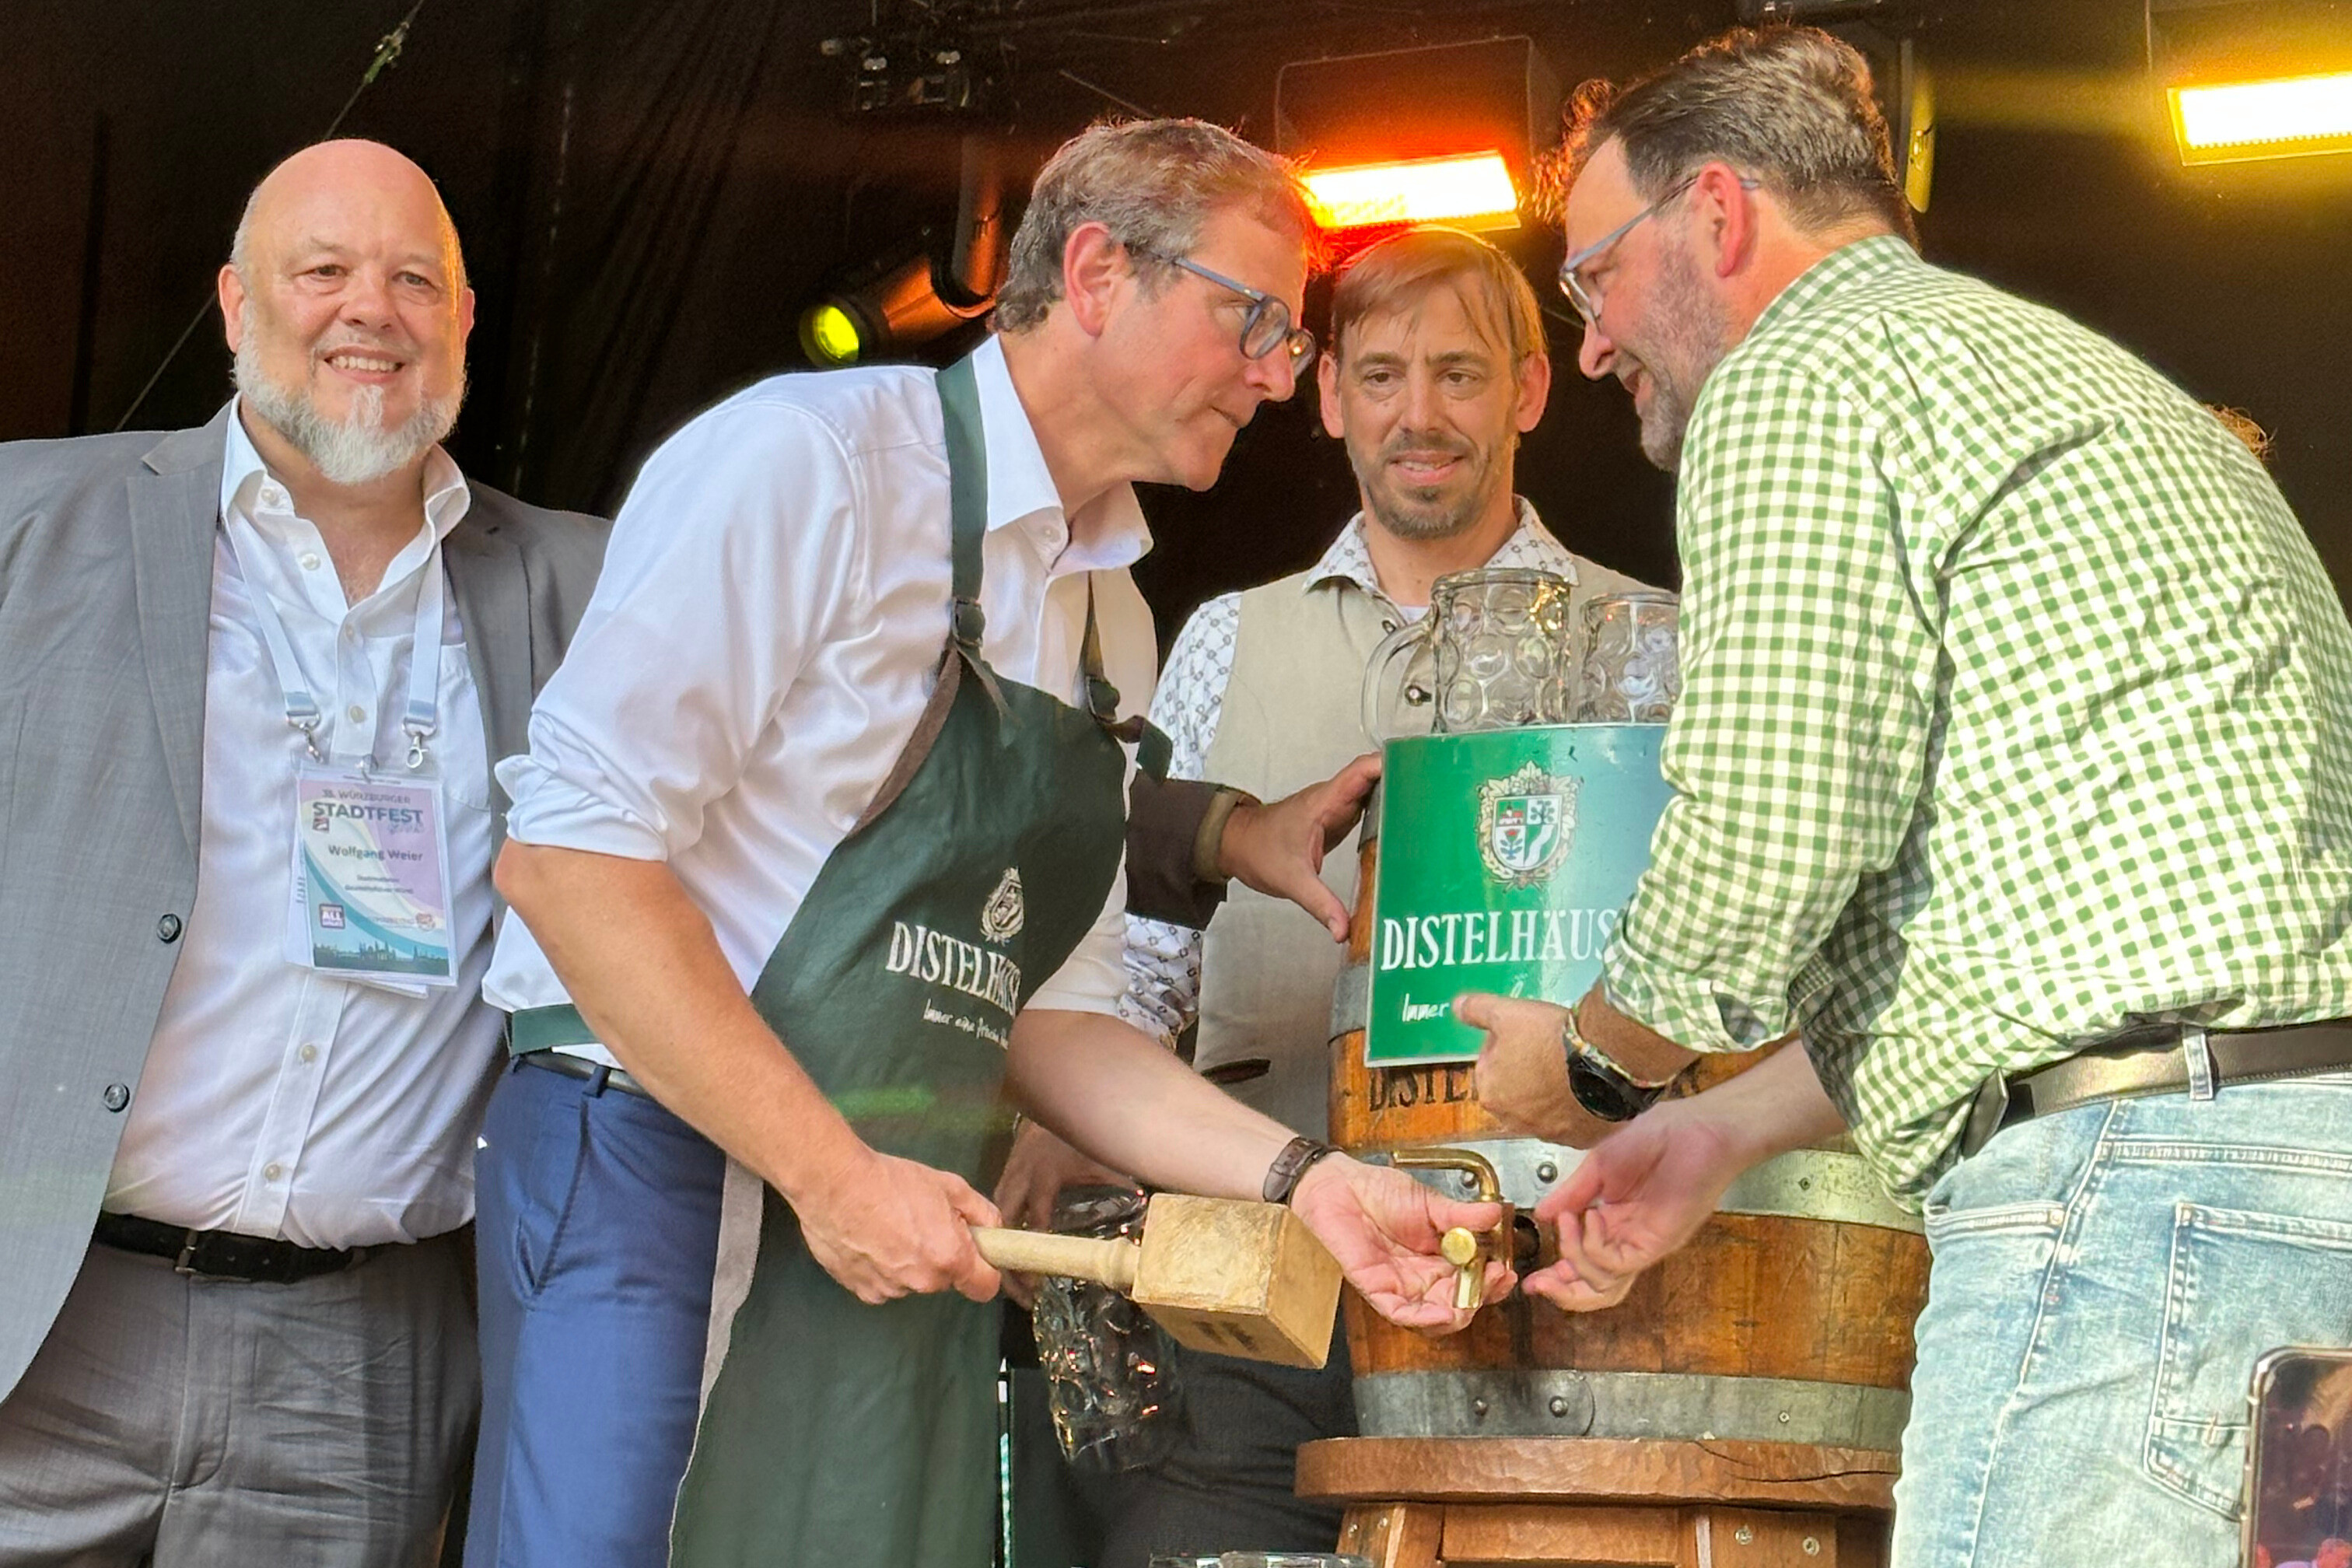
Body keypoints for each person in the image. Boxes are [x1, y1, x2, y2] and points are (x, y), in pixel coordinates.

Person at [469, 117, 1512, 1568]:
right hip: (667, 1168)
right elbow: (567, 863)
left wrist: (1304, 1183)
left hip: (909, 1213)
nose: (1282, 376)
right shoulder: (811, 468)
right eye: (1254, 319)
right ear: (1097, 272)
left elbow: (1056, 1021)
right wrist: (832, 1181)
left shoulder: (1112, 619)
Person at [1455, 25, 2352, 1568]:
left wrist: (1599, 1071)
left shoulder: (1800, 373)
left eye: (1592, 277)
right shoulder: (2084, 387)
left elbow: (1769, 832)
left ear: (1718, 218)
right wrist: (1717, 1132)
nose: (1591, 341)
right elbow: (2060, 948)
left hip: (2135, 1212)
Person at [995, 223, 1661, 1565]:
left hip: (1550, 1300)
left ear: (1531, 393)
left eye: (1462, 375)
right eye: (1382, 374)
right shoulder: (1226, 634)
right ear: (1327, 396)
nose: (1420, 414)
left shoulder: (1652, 641)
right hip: (1260, 1284)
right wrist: (1080, 1109)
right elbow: (1139, 962)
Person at [0, 139, 606, 1563]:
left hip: (357, 1366)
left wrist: (1184, 827)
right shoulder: (29, 524)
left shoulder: (584, 585)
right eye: (322, 271)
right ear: (232, 303)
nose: (368, 311)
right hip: (41, 1314)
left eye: (413, 279)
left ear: (464, 318)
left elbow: (836, 742)